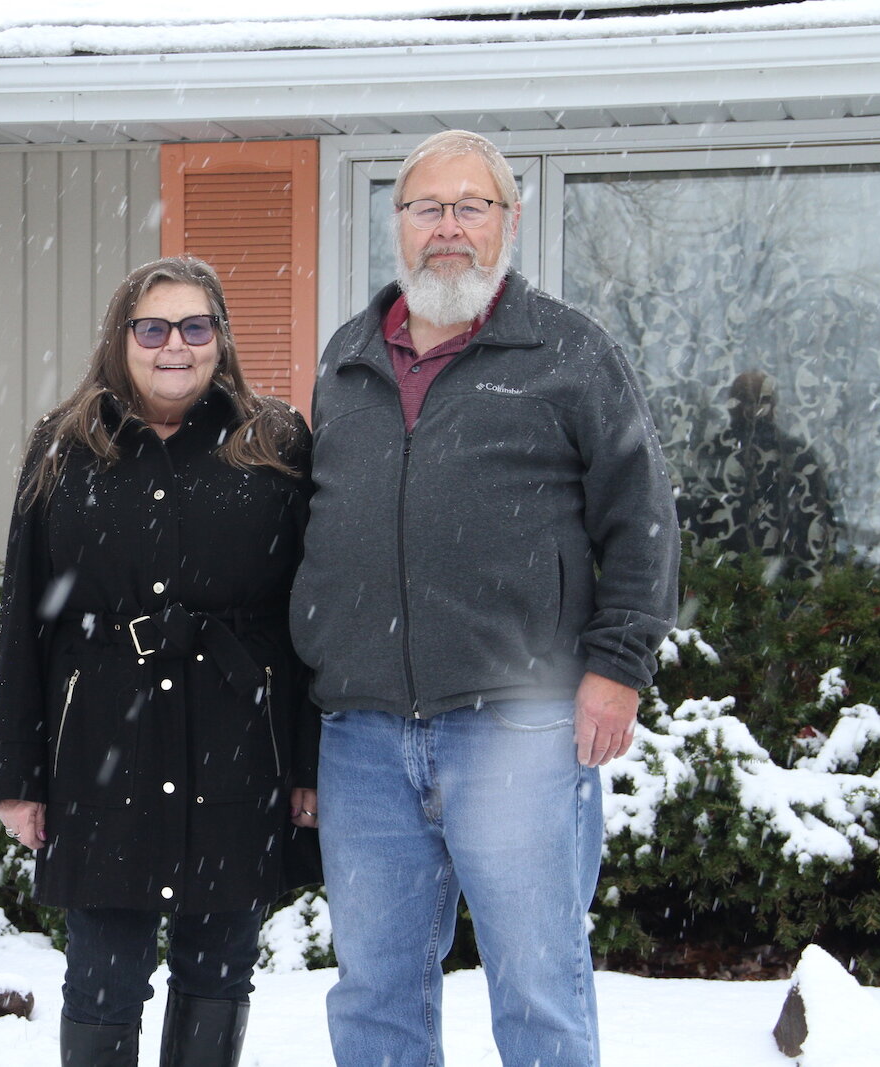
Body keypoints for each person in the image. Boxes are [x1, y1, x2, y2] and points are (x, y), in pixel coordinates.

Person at [289, 131, 679, 1067]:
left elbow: (644, 518)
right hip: (365, 736)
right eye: (428, 207)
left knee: (538, 988)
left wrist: (616, 670)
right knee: (375, 996)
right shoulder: (347, 361)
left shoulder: (568, 352)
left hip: (520, 728)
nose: (449, 228)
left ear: (507, 222)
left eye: (473, 207)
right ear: (399, 225)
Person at [0, 256, 319, 1067]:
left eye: (195, 326)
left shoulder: (275, 444)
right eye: (153, 327)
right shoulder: (64, 448)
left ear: (220, 338)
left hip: (238, 743)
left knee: (219, 969)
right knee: (103, 975)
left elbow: (308, 617)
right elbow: (27, 618)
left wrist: (310, 764)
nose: (176, 344)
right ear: (122, 339)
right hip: (105, 748)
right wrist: (18, 775)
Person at [680, 369, 838, 580]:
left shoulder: (794, 456)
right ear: (732, 404)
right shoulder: (712, 453)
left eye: (760, 401)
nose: (752, 409)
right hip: (721, 579)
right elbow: (694, 516)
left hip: (781, 579)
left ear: (773, 404)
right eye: (744, 400)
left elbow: (815, 522)